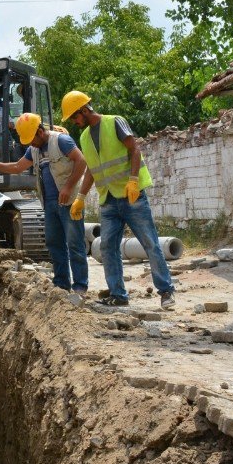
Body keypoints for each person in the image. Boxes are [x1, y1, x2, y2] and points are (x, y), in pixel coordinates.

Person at [60, 91, 176, 309]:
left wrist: (133, 180)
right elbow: (93, 171)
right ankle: (118, 294)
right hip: (108, 200)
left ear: (84, 110)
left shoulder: (115, 122)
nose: (75, 122)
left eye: (75, 117)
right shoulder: (84, 137)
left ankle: (166, 291)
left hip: (132, 197)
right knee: (107, 248)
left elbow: (134, 149)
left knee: (150, 243)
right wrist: (81, 197)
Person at [0, 113, 89, 294]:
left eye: (31, 138)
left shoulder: (61, 141)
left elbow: (82, 161)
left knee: (75, 243)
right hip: (49, 203)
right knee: (54, 243)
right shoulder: (34, 150)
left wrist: (68, 187)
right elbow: (17, 167)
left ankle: (80, 286)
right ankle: (61, 284)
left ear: (40, 132)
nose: (30, 143)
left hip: (69, 202)